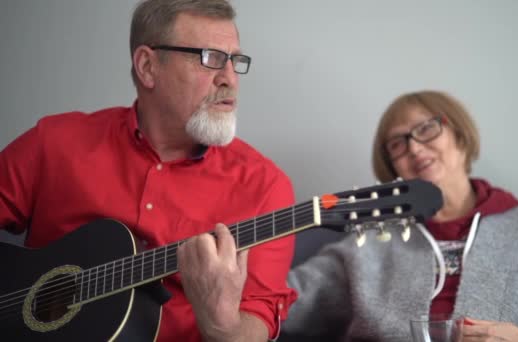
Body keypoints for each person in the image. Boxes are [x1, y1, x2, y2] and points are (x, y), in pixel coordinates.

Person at [0, 0, 297, 341]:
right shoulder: (55, 143)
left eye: (234, 61)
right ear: (147, 66)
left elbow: (256, 327)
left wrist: (222, 323)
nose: (229, 78)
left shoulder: (266, 188)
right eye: (210, 58)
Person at [283, 90, 518, 341]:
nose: (415, 149)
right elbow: (286, 300)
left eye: (426, 129)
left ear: (459, 136)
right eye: (398, 144)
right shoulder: (372, 237)